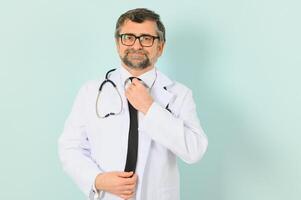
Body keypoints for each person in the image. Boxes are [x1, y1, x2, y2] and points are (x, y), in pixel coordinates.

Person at [58, 8, 208, 200]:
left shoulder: (180, 95)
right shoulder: (91, 92)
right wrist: (98, 179)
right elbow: (70, 147)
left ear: (160, 47)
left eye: (146, 38)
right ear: (118, 43)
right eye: (128, 37)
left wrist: (149, 108)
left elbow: (194, 150)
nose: (136, 45)